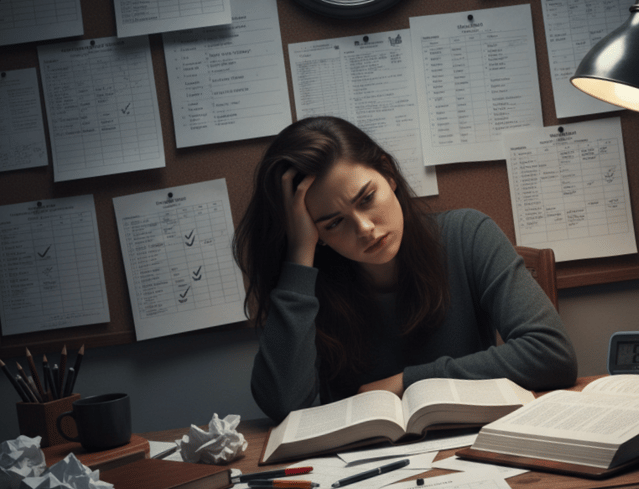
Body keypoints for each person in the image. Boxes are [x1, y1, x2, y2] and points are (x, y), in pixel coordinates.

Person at [233, 116, 577, 423]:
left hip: (473, 450)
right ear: (314, 233)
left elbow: (551, 354)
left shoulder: (467, 235)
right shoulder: (309, 281)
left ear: (388, 173)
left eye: (366, 198)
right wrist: (298, 257)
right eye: (334, 223)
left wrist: (406, 382)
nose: (365, 228)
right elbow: (283, 405)